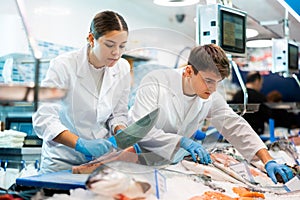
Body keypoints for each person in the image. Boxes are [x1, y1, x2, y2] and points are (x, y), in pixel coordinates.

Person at [130, 44, 294, 184]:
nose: (213, 89)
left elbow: (235, 126)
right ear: (188, 71)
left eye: (217, 82)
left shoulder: (210, 95)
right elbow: (140, 131)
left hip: (173, 164)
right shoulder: (155, 83)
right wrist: (182, 141)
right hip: (138, 159)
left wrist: (268, 160)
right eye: (208, 81)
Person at [32, 10, 132, 173]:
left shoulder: (123, 67)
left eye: (122, 46)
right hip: (62, 161)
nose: (117, 53)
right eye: (109, 45)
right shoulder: (63, 66)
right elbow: (43, 118)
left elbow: (117, 113)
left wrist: (121, 133)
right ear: (92, 39)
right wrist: (80, 144)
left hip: (100, 161)